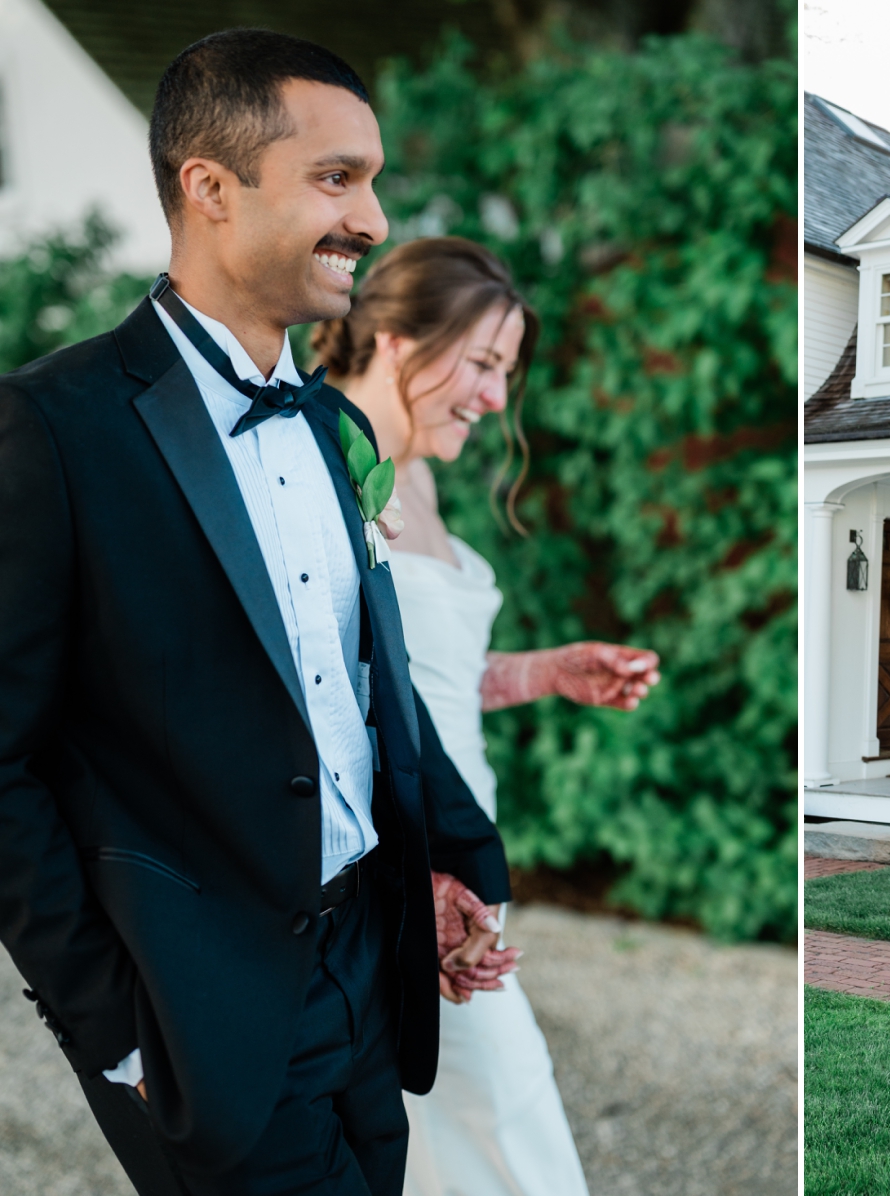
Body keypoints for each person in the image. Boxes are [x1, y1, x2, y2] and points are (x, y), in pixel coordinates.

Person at [0, 31, 517, 1196]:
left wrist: (449, 867)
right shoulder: (53, 427)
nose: (375, 220)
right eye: (338, 179)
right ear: (211, 187)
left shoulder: (332, 431)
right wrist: (116, 1029)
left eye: (373, 180)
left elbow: (361, 685)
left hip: (365, 975)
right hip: (200, 1015)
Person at [317, 236, 660, 1196]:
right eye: (480, 364)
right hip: (403, 865)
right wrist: (415, 874)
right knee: (508, 1122)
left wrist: (548, 672)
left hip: (461, 849)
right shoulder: (322, 481)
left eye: (504, 371)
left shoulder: (410, 472)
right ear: (392, 338)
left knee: (442, 1135)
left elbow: (425, 680)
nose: (497, 398)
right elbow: (325, 705)